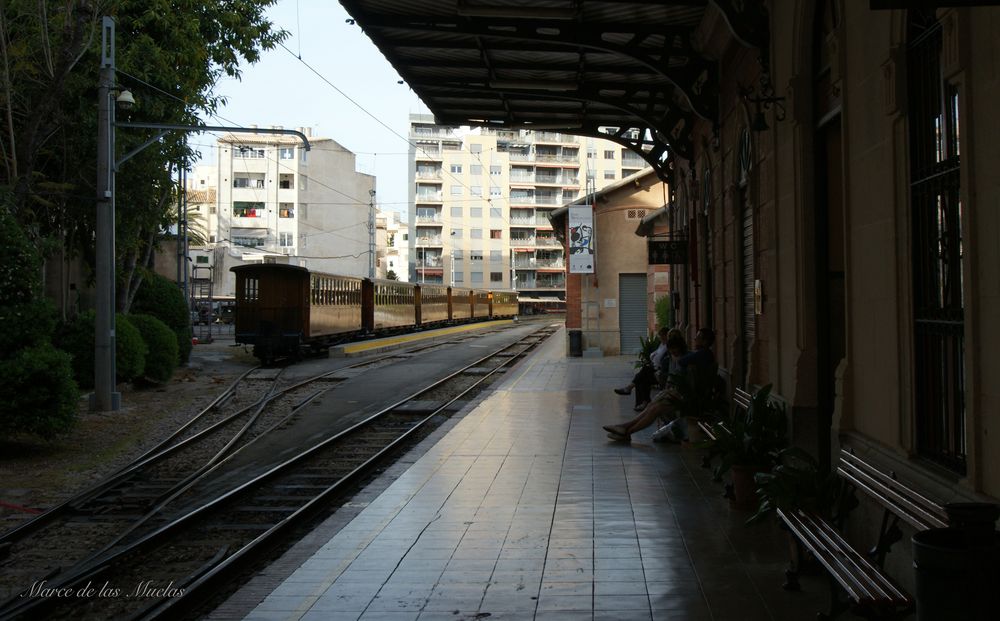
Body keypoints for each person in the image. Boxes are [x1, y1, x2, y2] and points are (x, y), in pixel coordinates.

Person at [604, 327, 718, 443]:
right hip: (687, 397)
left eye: (698, 337)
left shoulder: (704, 354)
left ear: (705, 341)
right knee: (652, 406)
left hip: (689, 401)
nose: (694, 339)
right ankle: (624, 428)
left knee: (655, 408)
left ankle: (626, 431)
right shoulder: (701, 354)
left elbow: (681, 361)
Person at [614, 327, 674, 410]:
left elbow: (663, 362)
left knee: (643, 373)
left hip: (659, 373)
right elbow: (654, 355)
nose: (659, 337)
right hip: (653, 369)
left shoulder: (669, 348)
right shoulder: (662, 345)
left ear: (665, 336)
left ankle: (632, 391)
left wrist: (654, 361)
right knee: (641, 378)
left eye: (660, 335)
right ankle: (640, 402)